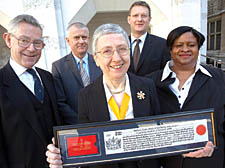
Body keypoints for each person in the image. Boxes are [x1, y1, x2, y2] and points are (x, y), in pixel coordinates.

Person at [46, 23, 161, 168]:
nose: (117, 58)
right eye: (107, 51)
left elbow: (160, 132)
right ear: (96, 58)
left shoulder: (147, 86)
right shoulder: (86, 96)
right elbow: (85, 142)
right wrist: (62, 155)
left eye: (122, 49)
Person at [148, 26, 224, 168]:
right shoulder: (150, 83)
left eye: (191, 45)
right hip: (164, 164)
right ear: (170, 49)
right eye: (179, 45)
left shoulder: (219, 79)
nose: (185, 49)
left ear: (198, 48)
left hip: (209, 162)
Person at [0, 14, 61, 168]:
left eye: (37, 43)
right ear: (8, 40)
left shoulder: (48, 78)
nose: (31, 48)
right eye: (24, 41)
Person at [52, 22, 101, 125]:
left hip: (101, 122)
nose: (81, 41)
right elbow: (60, 102)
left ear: (89, 39)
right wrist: (81, 123)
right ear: (68, 41)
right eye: (76, 38)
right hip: (75, 126)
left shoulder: (100, 62)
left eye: (84, 37)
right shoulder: (59, 67)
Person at [127, 1, 171, 76]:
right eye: (135, 15)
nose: (139, 19)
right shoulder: (121, 44)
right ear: (129, 19)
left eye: (144, 16)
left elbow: (166, 74)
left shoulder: (162, 45)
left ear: (149, 19)